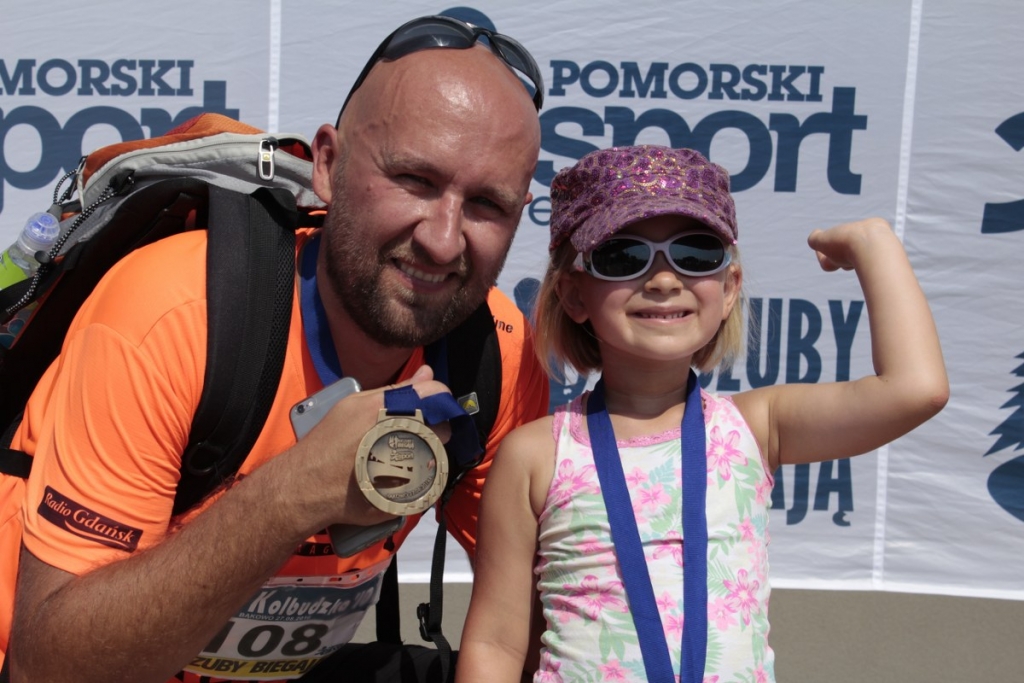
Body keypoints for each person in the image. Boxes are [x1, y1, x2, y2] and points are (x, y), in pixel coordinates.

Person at [3, 15, 549, 683]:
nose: (442, 240)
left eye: (487, 204)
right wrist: (295, 493)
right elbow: (45, 667)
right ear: (329, 165)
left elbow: (557, 613)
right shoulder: (174, 313)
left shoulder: (494, 351)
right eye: (414, 179)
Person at [456, 145, 949, 683]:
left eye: (695, 254)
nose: (664, 280)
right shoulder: (534, 454)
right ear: (574, 295)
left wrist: (874, 245)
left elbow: (916, 389)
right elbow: (495, 643)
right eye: (624, 256)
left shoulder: (758, 426)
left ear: (730, 288)